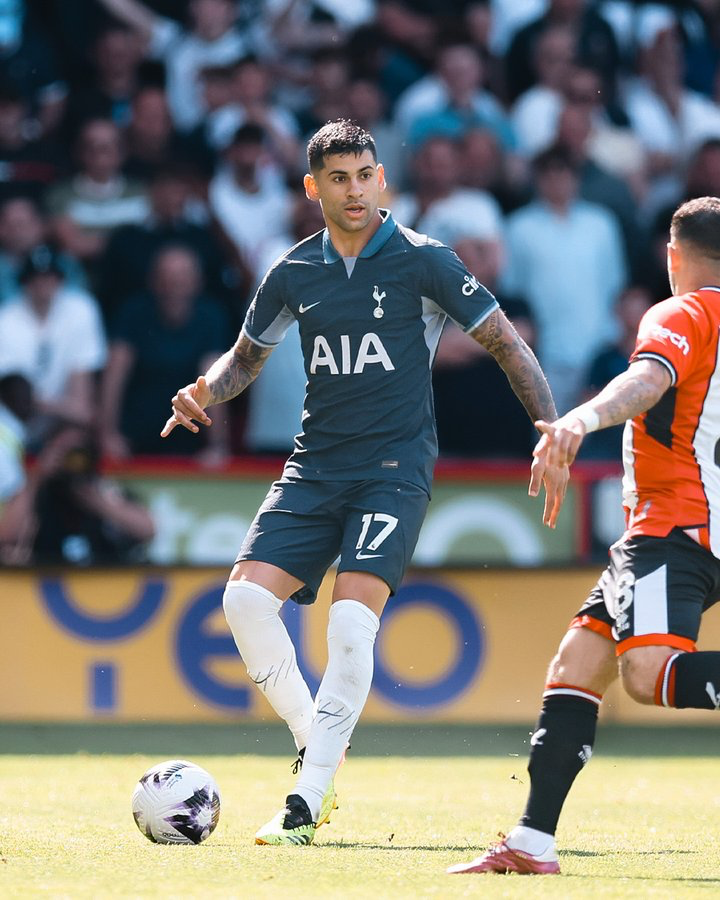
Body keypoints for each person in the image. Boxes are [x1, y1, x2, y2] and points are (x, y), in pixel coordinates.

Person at [161, 119, 567, 846]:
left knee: (350, 623)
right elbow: (245, 359)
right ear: (312, 188)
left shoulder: (426, 261)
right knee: (244, 602)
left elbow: (508, 345)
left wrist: (553, 431)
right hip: (314, 465)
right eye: (338, 179)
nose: (355, 191)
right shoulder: (292, 272)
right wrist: (204, 391)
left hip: (392, 470)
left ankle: (306, 800)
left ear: (382, 179)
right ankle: (316, 739)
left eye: (365, 176)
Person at [448, 195, 720, 876]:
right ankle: (532, 842)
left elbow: (648, 380)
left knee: (648, 675)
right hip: (681, 526)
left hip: (675, 526)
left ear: (672, 256)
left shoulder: (683, 312)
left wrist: (579, 420)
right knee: (578, 665)